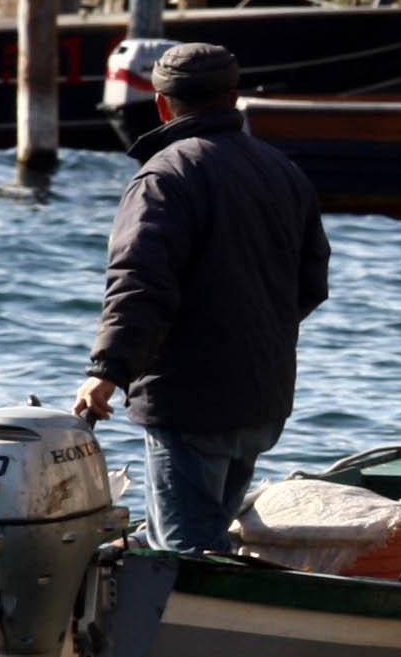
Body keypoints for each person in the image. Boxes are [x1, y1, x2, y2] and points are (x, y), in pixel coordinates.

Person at [71, 42, 331, 555]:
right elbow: (312, 283)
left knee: (184, 555)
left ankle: (190, 632)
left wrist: (107, 372)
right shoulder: (283, 172)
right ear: (233, 99)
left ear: (163, 105)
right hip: (261, 399)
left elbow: (139, 284)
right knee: (210, 541)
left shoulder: (164, 177)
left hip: (190, 402)